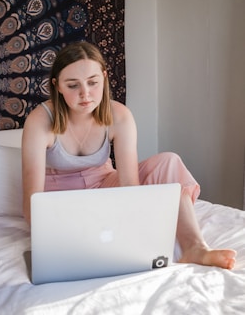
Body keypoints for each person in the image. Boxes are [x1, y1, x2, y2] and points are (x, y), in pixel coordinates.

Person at [22, 41, 236, 269]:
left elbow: (129, 188)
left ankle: (195, 247)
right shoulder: (40, 120)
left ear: (104, 77)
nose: (85, 94)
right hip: (63, 200)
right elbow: (32, 203)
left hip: (105, 187)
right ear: (57, 86)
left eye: (93, 82)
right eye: (73, 85)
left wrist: (128, 229)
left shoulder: (119, 115)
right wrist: (55, 236)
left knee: (169, 161)